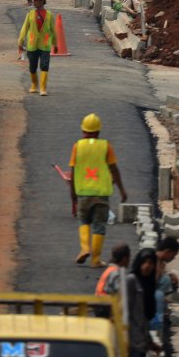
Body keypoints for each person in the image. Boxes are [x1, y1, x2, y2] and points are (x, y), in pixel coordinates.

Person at [69, 112, 129, 266]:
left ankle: (84, 248)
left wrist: (73, 194)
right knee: (99, 225)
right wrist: (122, 190)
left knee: (83, 220)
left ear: (83, 131)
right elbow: (114, 169)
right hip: (101, 194)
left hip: (83, 193)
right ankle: (95, 260)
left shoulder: (77, 146)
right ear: (98, 131)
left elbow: (74, 172)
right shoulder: (106, 146)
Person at [125, 248, 162, 357]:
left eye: (151, 263)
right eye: (145, 262)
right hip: (131, 343)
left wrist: (149, 341)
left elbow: (143, 319)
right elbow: (124, 310)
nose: (147, 266)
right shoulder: (131, 280)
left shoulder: (149, 284)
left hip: (141, 342)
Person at [18, 0, 56, 95]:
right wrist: (20, 41)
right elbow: (24, 29)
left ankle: (43, 88)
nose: (34, 2)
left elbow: (53, 30)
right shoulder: (30, 14)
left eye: (37, 0)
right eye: (33, 0)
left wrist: (55, 44)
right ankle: (34, 84)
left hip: (45, 45)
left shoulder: (49, 15)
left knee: (44, 65)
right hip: (32, 45)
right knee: (32, 67)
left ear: (43, 1)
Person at [154, 236, 179, 357]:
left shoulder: (160, 263)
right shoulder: (153, 263)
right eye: (173, 255)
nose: (173, 258)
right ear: (167, 251)